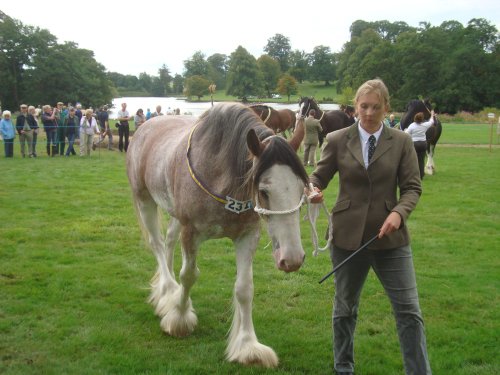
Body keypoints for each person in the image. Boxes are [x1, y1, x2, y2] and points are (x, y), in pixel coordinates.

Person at [309, 79, 431, 375]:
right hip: (346, 237)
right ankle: (344, 368)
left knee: (409, 312)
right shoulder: (337, 139)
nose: (369, 112)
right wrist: (312, 190)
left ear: (386, 108)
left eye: (376, 107)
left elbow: (413, 188)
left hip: (391, 240)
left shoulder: (401, 141)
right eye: (364, 106)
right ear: (355, 106)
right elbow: (318, 177)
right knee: (345, 309)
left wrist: (399, 214)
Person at [405, 111, 435, 180]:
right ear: (422, 119)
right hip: (423, 144)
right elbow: (431, 121)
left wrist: (405, 130)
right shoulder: (425, 125)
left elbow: (406, 133)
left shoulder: (412, 125)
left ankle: (413, 175)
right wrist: (432, 115)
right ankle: (421, 175)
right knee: (421, 160)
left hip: (414, 144)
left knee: (413, 160)